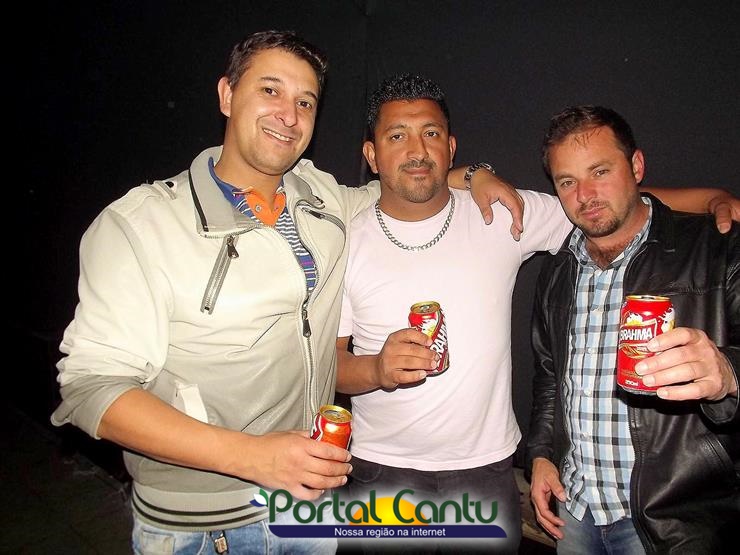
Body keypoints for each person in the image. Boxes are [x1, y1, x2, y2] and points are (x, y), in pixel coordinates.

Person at [49, 31, 522, 554]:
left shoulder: (320, 198)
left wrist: (473, 174)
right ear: (227, 95)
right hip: (205, 527)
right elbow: (91, 388)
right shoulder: (142, 225)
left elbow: (403, 181)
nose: (289, 115)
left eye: (305, 102)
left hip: (308, 507)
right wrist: (253, 457)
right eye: (270, 90)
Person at [336, 77, 739, 554]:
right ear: (371, 154)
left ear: (451, 146)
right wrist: (376, 369)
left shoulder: (504, 212)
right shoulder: (344, 241)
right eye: (396, 135)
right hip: (382, 467)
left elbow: (604, 203)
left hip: (485, 469)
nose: (417, 149)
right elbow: (329, 366)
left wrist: (710, 199)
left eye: (431, 133)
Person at [525, 105, 739, 555]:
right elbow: (548, 375)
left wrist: (728, 373)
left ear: (636, 166)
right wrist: (542, 453)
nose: (585, 195)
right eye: (567, 182)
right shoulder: (558, 268)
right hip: (577, 509)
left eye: (600, 171)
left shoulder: (714, 247)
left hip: (673, 519)